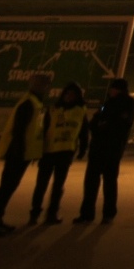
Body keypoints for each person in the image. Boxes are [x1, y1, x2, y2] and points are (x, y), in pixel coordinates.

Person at [0, 73, 50, 237]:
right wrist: (20, 151)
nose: (46, 88)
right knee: (6, 188)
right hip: (17, 153)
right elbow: (19, 130)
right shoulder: (29, 103)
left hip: (23, 153)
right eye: (44, 84)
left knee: (9, 187)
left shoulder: (35, 102)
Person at [74, 78, 134, 225]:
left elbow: (119, 123)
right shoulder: (108, 103)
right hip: (103, 148)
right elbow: (96, 121)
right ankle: (97, 214)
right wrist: (101, 125)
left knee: (103, 182)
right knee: (99, 182)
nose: (110, 91)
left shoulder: (126, 103)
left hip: (110, 148)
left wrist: (104, 125)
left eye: (113, 88)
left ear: (118, 89)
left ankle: (97, 214)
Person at [30, 82, 87, 225]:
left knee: (58, 186)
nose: (69, 97)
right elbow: (43, 129)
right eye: (67, 94)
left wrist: (83, 149)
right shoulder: (53, 110)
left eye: (72, 95)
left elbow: (83, 131)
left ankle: (52, 214)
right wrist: (36, 150)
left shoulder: (80, 111)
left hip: (65, 152)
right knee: (41, 185)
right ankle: (35, 213)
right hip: (48, 152)